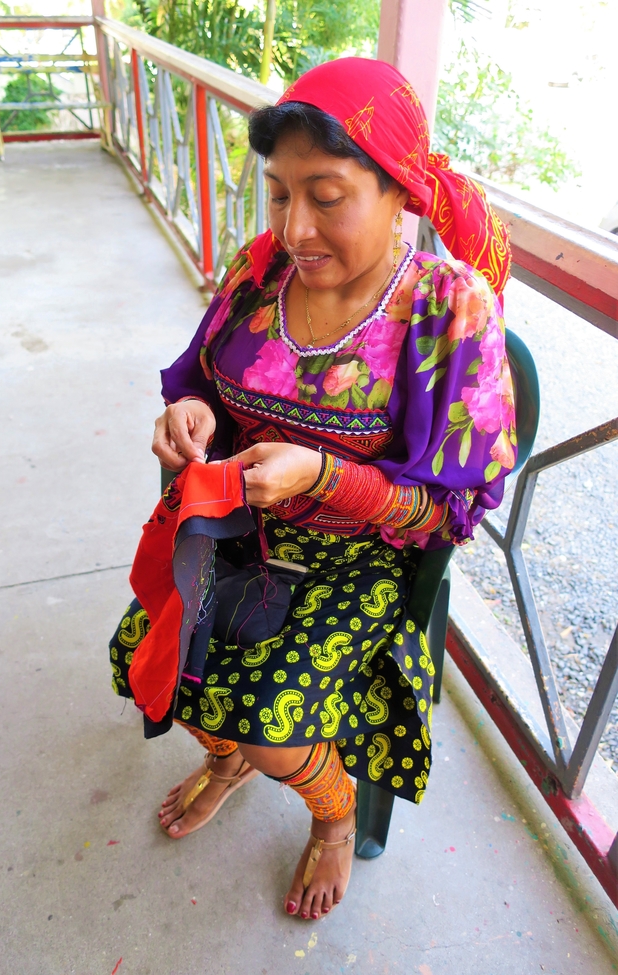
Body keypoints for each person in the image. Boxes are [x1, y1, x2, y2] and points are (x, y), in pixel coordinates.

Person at [109, 56, 515, 921]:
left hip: (361, 556)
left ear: (399, 189)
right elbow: (205, 383)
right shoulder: (262, 271)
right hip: (236, 527)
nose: (295, 225)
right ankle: (224, 759)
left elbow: (445, 509)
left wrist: (326, 473)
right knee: (152, 659)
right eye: (279, 192)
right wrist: (188, 414)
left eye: (325, 195)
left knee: (269, 720)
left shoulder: (448, 310)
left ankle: (331, 818)